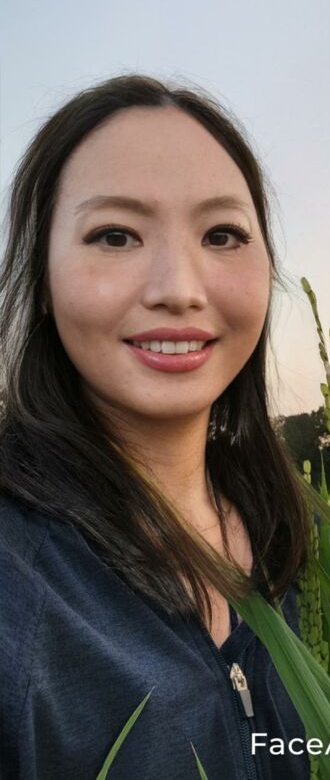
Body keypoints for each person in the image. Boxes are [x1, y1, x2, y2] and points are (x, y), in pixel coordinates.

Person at [0, 74, 312, 779]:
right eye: (115, 235)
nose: (179, 288)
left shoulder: (305, 548)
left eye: (222, 234)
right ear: (42, 277)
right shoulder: (14, 583)